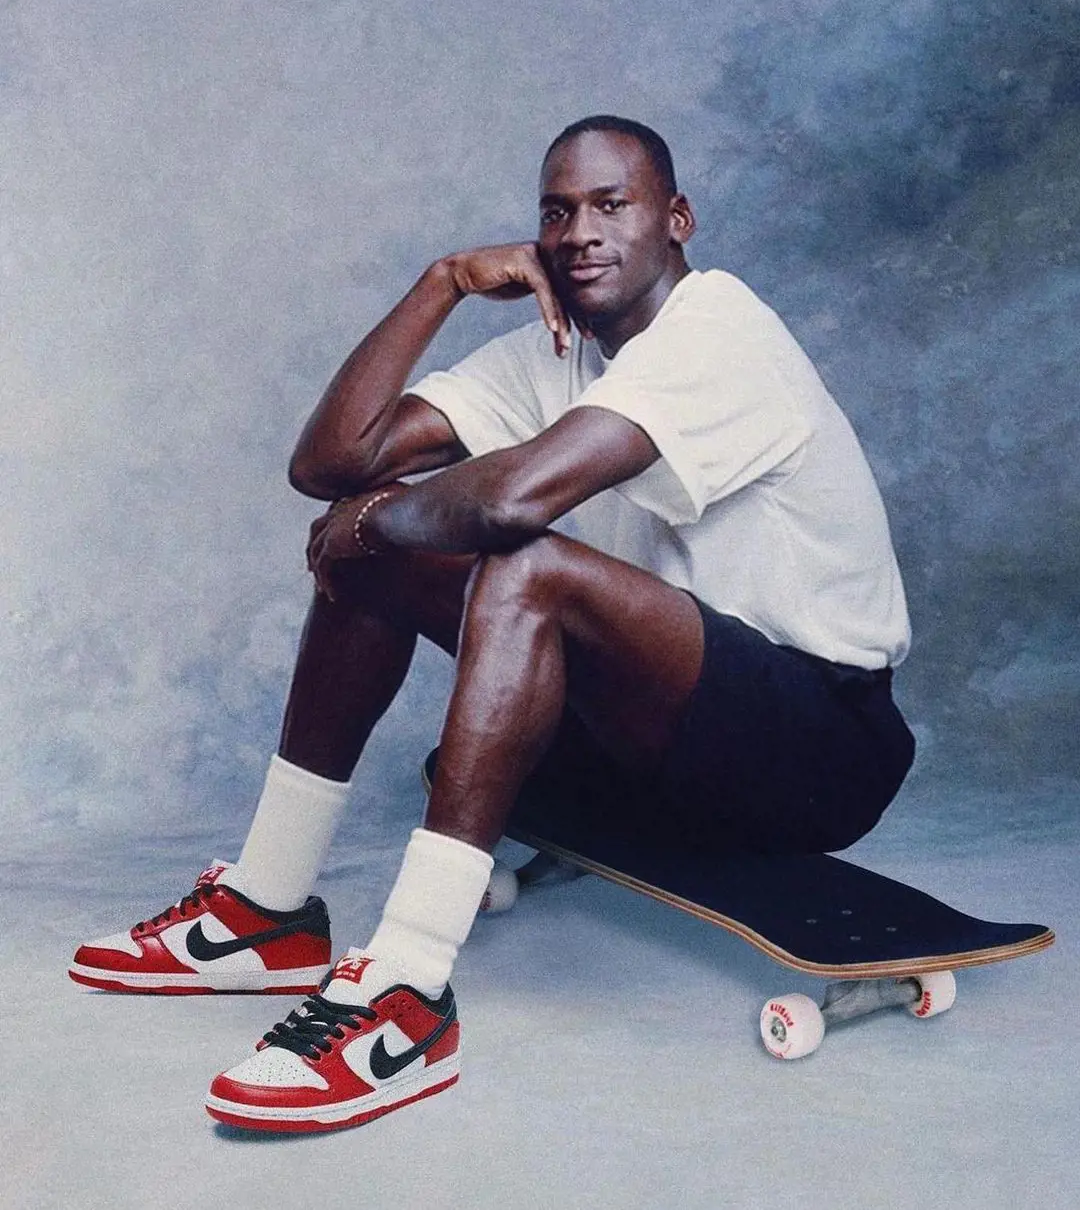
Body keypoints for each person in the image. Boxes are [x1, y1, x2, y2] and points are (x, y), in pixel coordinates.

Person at [70, 116, 915, 1133]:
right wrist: (445, 281)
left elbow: (513, 503)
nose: (580, 232)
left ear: (677, 220)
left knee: (522, 564)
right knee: (382, 554)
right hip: (661, 743)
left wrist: (366, 521)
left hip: (818, 748)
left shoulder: (718, 327)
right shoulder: (550, 354)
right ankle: (270, 905)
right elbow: (330, 463)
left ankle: (410, 991)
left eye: (613, 204)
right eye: (557, 211)